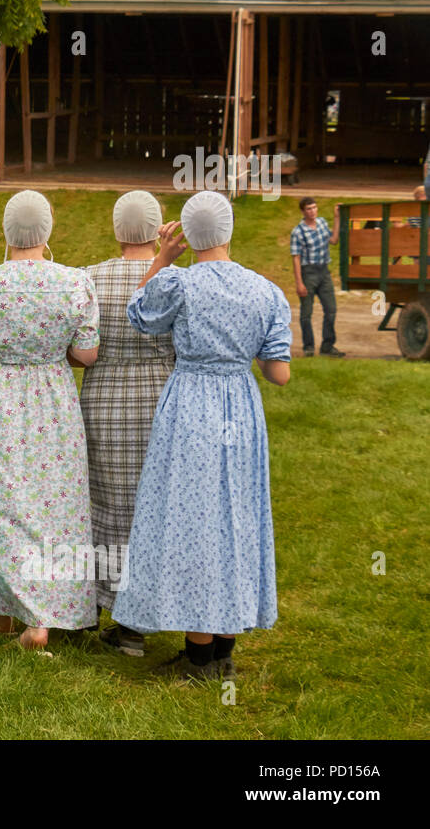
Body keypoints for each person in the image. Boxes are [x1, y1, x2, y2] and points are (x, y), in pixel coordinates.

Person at [111, 191, 292, 681]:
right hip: (240, 406)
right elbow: (278, 374)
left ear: (189, 235)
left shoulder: (179, 284)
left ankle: (199, 657)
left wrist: (165, 258)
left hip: (191, 403)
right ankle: (222, 653)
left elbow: (140, 315)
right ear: (230, 231)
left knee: (192, 518)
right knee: (236, 512)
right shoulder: (266, 291)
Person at [0, 190, 100, 654]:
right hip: (53, 399)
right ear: (47, 230)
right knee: (53, 503)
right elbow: (86, 352)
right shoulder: (75, 283)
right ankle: (14, 609)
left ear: (6, 232)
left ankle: (25, 612)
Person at [79, 191, 175, 658]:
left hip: (102, 398)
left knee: (105, 504)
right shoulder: (176, 278)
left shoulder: (89, 278)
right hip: (160, 398)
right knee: (151, 505)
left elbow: (77, 348)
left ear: (117, 229)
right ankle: (143, 615)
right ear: (157, 228)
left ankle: (105, 610)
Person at [290, 196, 343, 357]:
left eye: (314, 208)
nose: (312, 211)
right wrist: (299, 282)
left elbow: (333, 240)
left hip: (324, 271)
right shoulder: (298, 232)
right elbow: (296, 257)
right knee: (307, 312)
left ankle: (327, 346)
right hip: (308, 272)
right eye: (308, 209)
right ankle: (309, 346)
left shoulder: (322, 223)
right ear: (303, 211)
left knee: (331, 309)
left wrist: (337, 217)